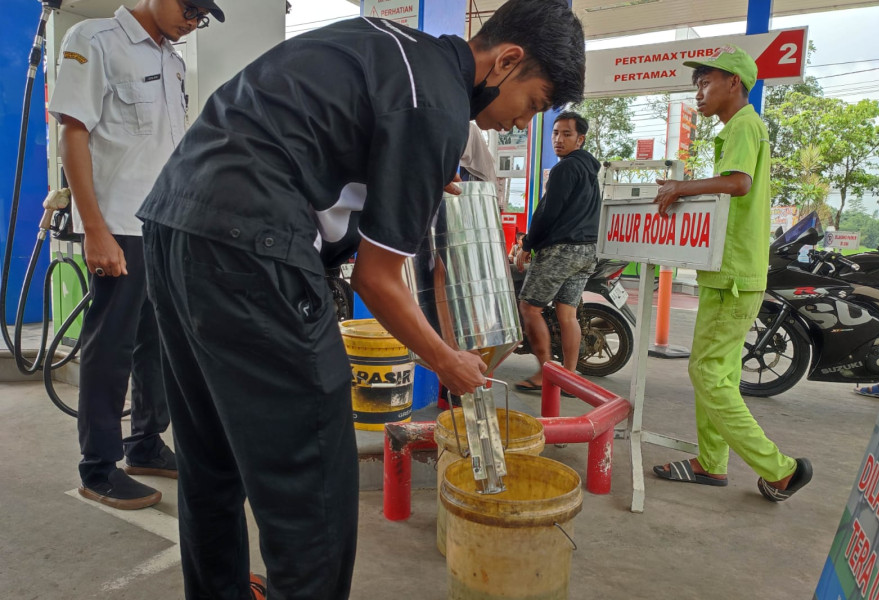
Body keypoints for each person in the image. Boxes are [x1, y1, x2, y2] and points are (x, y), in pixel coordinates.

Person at [136, 1, 586, 598]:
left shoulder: (388, 45)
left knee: (211, 456)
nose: (521, 123)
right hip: (253, 248)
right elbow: (379, 280)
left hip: (172, 226)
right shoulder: (440, 106)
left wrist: (411, 169)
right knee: (312, 477)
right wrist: (446, 359)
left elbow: (323, 136)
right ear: (507, 60)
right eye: (531, 104)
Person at [48, 0, 225, 511]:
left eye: (202, 16)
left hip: (164, 225)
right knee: (111, 348)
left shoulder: (171, 60)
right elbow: (73, 134)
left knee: (160, 344)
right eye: (189, 8)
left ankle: (145, 442)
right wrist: (94, 230)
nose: (193, 21)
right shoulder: (95, 40)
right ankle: (98, 467)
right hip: (119, 227)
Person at [651, 45, 813, 502]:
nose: (698, 92)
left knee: (706, 373)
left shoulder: (744, 124)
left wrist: (682, 187)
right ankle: (711, 462)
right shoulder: (739, 128)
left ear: (733, 84)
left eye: (705, 83)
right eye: (696, 84)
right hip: (729, 271)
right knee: (714, 372)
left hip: (736, 274)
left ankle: (779, 469)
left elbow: (738, 182)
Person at [513, 111, 600, 393]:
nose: (558, 140)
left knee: (529, 307)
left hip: (561, 250)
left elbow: (548, 213)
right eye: (555, 133)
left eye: (566, 134)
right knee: (567, 314)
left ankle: (545, 372)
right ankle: (569, 375)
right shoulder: (589, 171)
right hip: (587, 251)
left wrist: (527, 245)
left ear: (580, 139)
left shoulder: (565, 169)